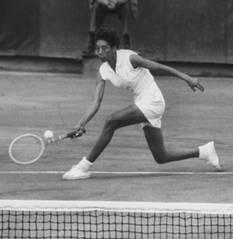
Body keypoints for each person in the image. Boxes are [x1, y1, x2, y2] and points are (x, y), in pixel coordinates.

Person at [64, 28, 221, 180]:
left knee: (111, 121)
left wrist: (187, 78)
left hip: (153, 100)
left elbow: (159, 67)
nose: (99, 52)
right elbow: (96, 101)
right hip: (141, 102)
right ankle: (204, 151)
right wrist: (80, 124)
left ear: (114, 48)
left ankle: (82, 167)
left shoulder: (130, 58)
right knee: (161, 156)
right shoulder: (103, 71)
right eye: (97, 49)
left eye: (104, 48)